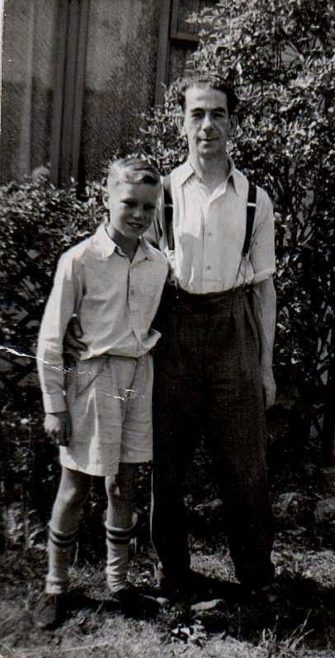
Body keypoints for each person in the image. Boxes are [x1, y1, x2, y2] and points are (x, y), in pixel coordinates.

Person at [149, 74, 277, 603]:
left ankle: (256, 577)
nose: (208, 125)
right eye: (197, 114)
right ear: (182, 123)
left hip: (234, 328)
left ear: (232, 122)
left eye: (218, 114)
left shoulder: (254, 200)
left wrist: (265, 366)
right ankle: (172, 575)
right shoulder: (161, 193)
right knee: (168, 462)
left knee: (244, 465)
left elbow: (265, 288)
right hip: (175, 327)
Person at [35, 157, 168, 628]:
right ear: (107, 199)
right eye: (129, 202)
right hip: (93, 381)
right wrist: (54, 404)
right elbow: (52, 337)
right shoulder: (79, 260)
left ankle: (118, 582)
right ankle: (56, 586)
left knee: (125, 483)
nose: (137, 214)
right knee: (74, 485)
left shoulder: (158, 263)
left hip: (137, 378)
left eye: (148, 207)